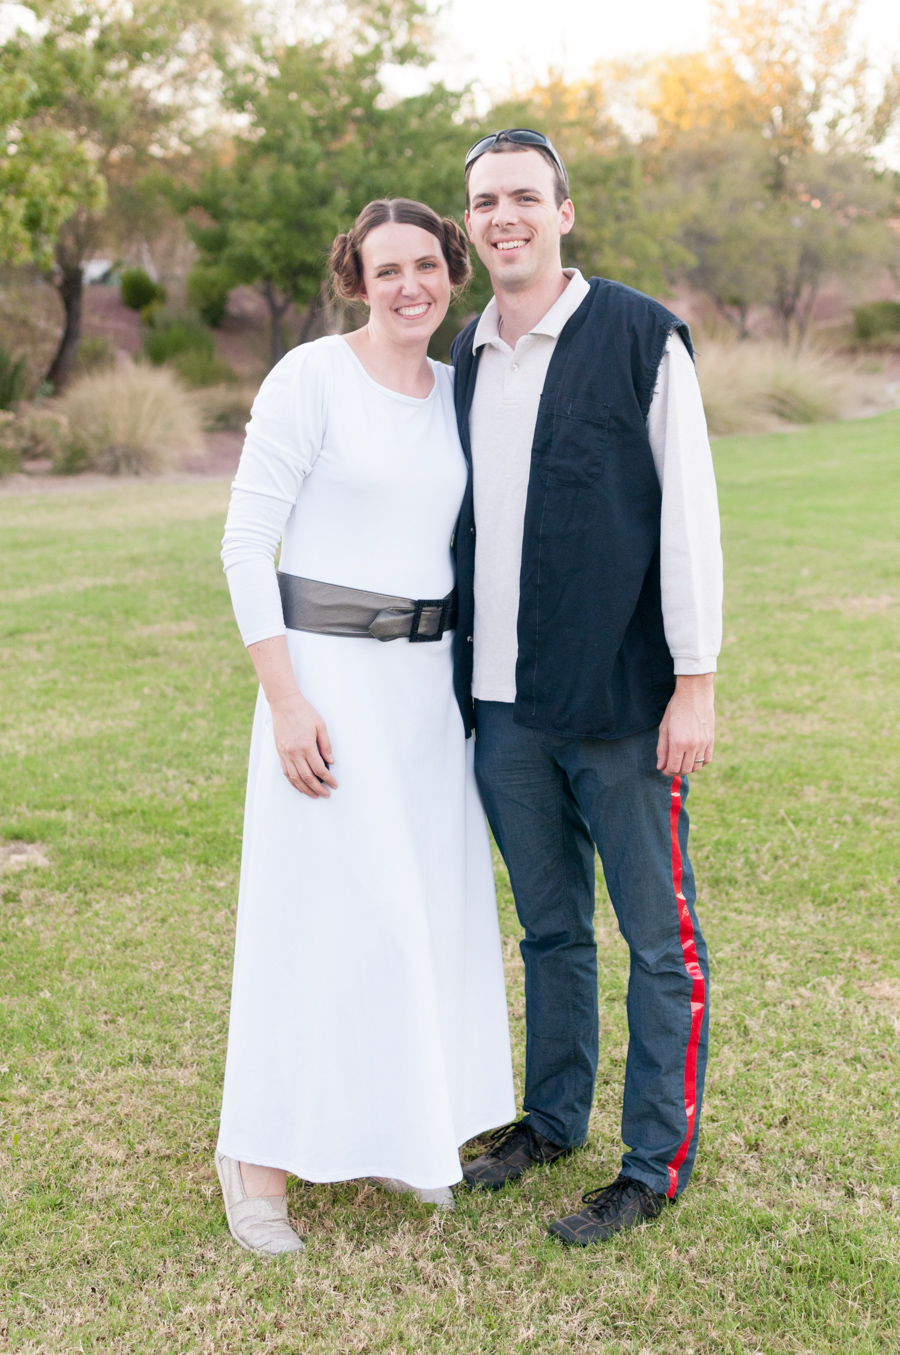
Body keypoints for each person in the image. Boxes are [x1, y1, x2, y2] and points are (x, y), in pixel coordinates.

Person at [215, 198, 515, 1255]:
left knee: (414, 915)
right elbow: (247, 542)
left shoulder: (455, 389)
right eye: (386, 269)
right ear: (355, 276)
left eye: (427, 265)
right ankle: (254, 1163)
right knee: (314, 917)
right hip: (328, 684)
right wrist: (288, 699)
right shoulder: (309, 378)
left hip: (428, 692)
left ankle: (396, 1129)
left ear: (452, 275)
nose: (409, 286)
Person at [449, 130, 723, 1245]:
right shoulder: (459, 353)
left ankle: (652, 1163)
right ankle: (551, 1118)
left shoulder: (640, 335)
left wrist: (694, 681)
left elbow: (690, 517)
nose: (503, 215)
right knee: (551, 932)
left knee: (660, 942)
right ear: (468, 223)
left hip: (620, 698)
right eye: (483, 201)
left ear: (564, 210)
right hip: (502, 702)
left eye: (523, 196)